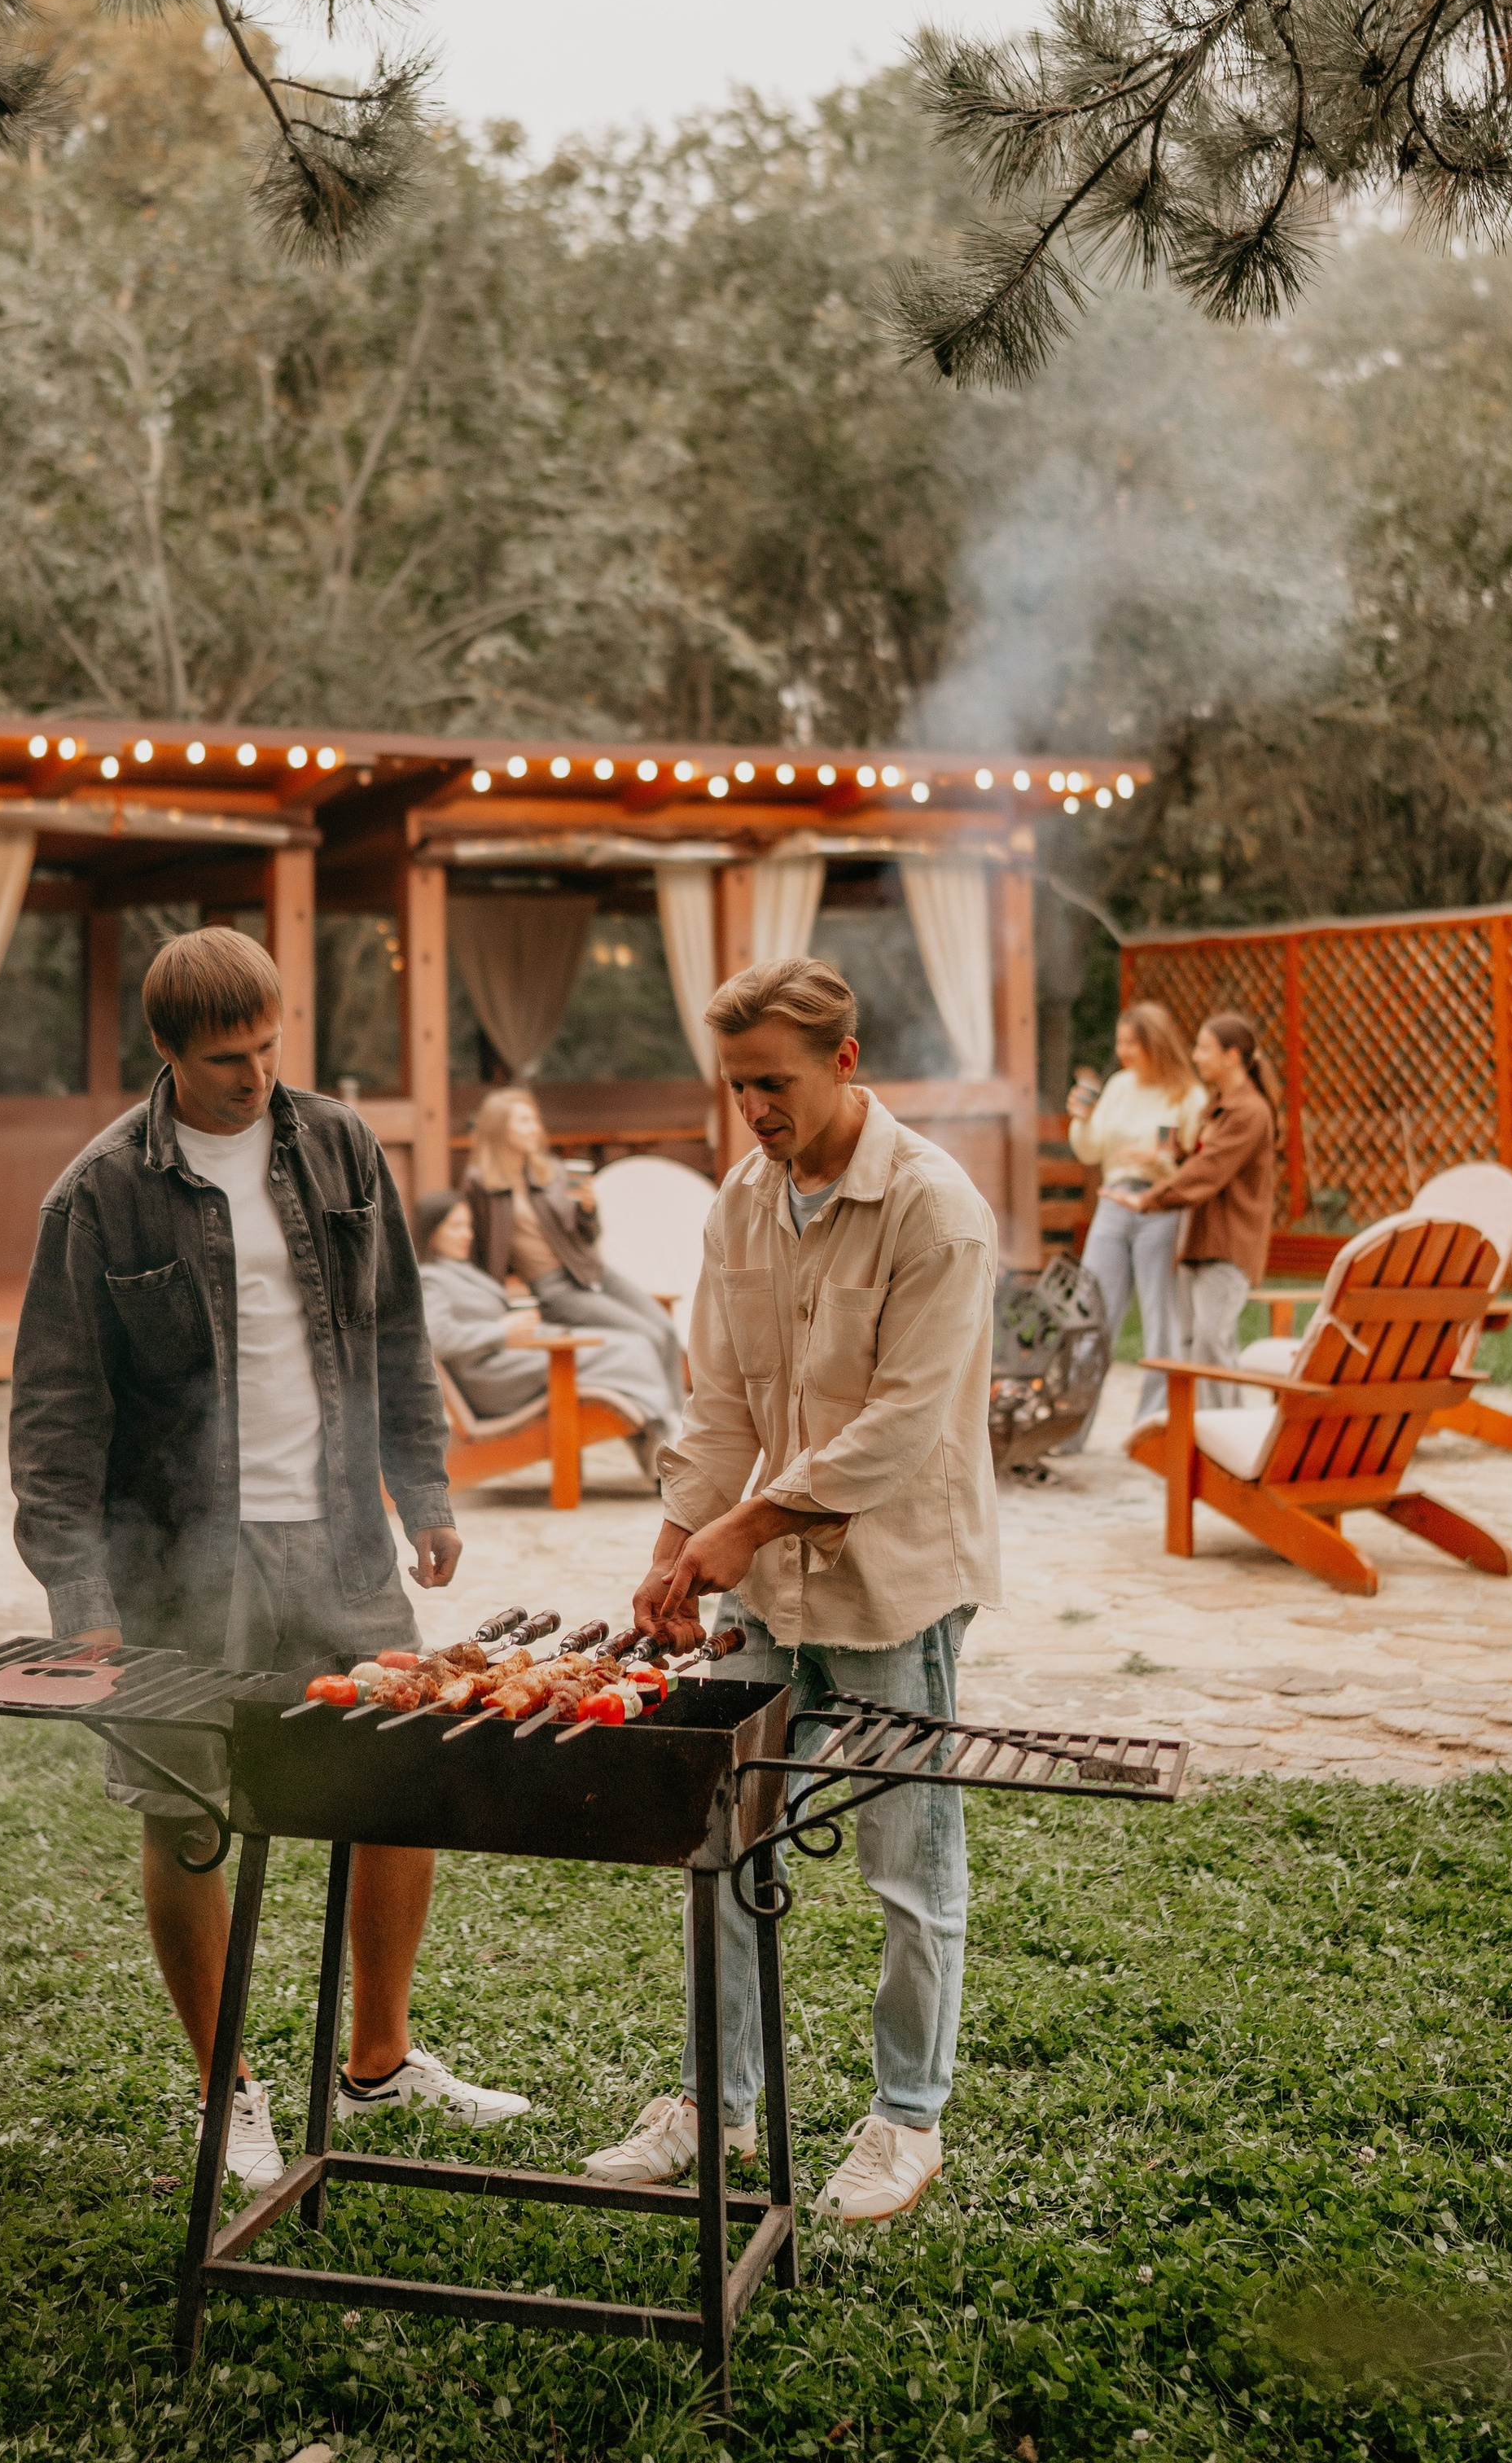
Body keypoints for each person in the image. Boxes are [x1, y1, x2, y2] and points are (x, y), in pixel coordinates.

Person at [8, 927, 529, 2199]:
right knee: (187, 1815)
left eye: (269, 1046)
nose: (255, 1077)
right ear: (167, 1052)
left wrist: (424, 1489)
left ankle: (379, 2061)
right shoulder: (98, 1193)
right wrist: (79, 1595)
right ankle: (224, 2089)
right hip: (178, 1562)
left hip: (340, 1535)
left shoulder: (339, 1145)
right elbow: (56, 1413)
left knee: (402, 1778)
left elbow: (396, 1326)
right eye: (227, 1060)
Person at [581, 954, 998, 2227]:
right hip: (766, 1588)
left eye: (775, 1083)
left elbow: (899, 1431)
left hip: (898, 1585)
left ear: (845, 1063)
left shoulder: (937, 1209)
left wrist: (744, 1526)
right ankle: (717, 2102)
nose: (754, 1110)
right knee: (724, 1835)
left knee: (907, 1862)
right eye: (737, 1087)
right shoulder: (740, 1203)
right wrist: (673, 1552)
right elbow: (718, 1409)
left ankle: (907, 2120)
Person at [414, 1185, 679, 1456]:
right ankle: (663, 1433)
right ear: (432, 1231)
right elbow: (436, 1338)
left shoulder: (457, 1270)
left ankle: (655, 1434)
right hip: (497, 1377)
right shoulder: (430, 1280)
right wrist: (501, 1330)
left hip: (516, 1360)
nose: (468, 1235)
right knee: (629, 1349)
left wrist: (527, 1327)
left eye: (468, 1226)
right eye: (456, 1227)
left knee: (631, 1344)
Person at [463, 1086, 683, 1401]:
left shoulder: (549, 1171)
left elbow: (587, 1236)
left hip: (592, 1271)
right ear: (499, 1127)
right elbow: (477, 1248)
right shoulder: (480, 1184)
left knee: (666, 1329)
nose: (535, 1128)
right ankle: (663, 1415)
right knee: (647, 1336)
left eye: (535, 1120)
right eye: (524, 1121)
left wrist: (587, 1210)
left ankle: (677, 1416)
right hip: (555, 1287)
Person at [1067, 1003, 1205, 1427]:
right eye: (1120, 1042)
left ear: (1155, 1044)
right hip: (1113, 1204)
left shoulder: (1188, 1095)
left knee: (1161, 1319)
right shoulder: (1119, 1086)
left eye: (1132, 1043)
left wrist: (1158, 1157)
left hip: (1160, 1209)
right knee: (1091, 1313)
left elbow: (1195, 1167)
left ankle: (1154, 1428)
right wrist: (1080, 1120)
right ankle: (1070, 1427)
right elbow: (1090, 1150)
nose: (1122, 1051)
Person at [1129, 1010, 1278, 1405]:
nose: (1195, 1056)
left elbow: (1211, 1171)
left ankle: (1225, 1429)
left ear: (1232, 1056)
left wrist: (1148, 1199)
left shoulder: (1250, 1112)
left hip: (1228, 1247)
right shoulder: (1216, 1106)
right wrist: (1175, 1153)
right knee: (1195, 1344)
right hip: (1197, 1241)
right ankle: (1211, 1428)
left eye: (1204, 1049)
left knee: (1212, 1342)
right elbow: (1202, 1163)